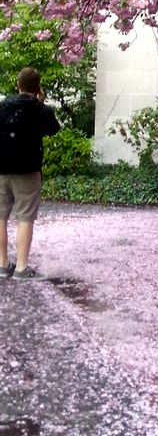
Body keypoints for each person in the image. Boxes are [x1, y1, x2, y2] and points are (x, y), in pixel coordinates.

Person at [0, 67, 61, 281]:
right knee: (25, 217)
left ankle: (3, 264)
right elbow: (53, 129)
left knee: (0, 216)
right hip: (27, 171)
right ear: (37, 88)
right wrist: (41, 103)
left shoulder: (2, 107)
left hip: (1, 169)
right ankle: (22, 268)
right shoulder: (41, 111)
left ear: (18, 85)